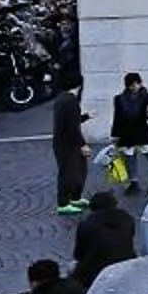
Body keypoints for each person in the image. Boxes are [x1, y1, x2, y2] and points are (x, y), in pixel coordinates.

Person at [108, 72, 148, 192]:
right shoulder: (119, 99)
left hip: (141, 131)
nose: (134, 87)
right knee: (130, 159)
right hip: (125, 133)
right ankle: (134, 182)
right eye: (132, 85)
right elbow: (117, 118)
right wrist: (115, 135)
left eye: (136, 84)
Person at [73, 188, 139, 291]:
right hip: (127, 262)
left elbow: (78, 254)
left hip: (96, 270)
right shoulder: (127, 220)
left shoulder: (86, 225)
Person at [50, 78, 90, 214]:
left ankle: (74, 197)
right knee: (69, 173)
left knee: (77, 171)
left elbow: (70, 120)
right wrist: (82, 144)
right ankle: (63, 203)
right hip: (68, 144)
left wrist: (85, 117)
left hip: (64, 143)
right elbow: (72, 127)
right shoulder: (70, 101)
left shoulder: (62, 99)